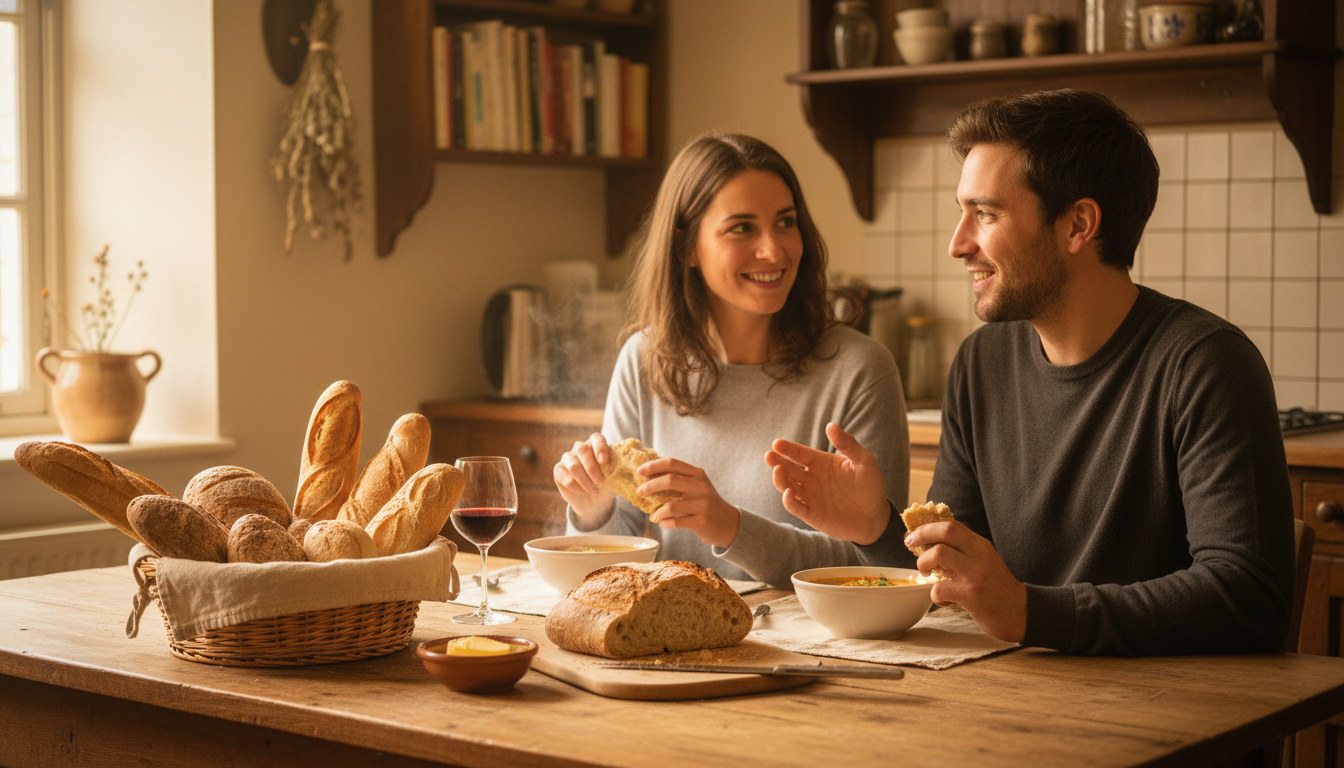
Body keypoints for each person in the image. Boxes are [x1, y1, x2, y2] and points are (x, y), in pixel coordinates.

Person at [765, 89, 1295, 655]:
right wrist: (876, 526)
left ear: (1078, 225)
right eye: (962, 212)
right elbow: (959, 581)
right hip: (1018, 699)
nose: (957, 244)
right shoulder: (981, 363)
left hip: (1170, 717)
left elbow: (1248, 597)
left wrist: (1029, 613)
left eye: (986, 214)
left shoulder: (1205, 364)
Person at [552, 132, 908, 588]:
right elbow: (615, 553)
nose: (774, 251)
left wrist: (729, 526)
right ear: (687, 249)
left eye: (785, 222)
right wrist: (591, 507)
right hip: (677, 642)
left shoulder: (860, 370)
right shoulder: (643, 358)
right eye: (742, 228)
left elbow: (883, 569)